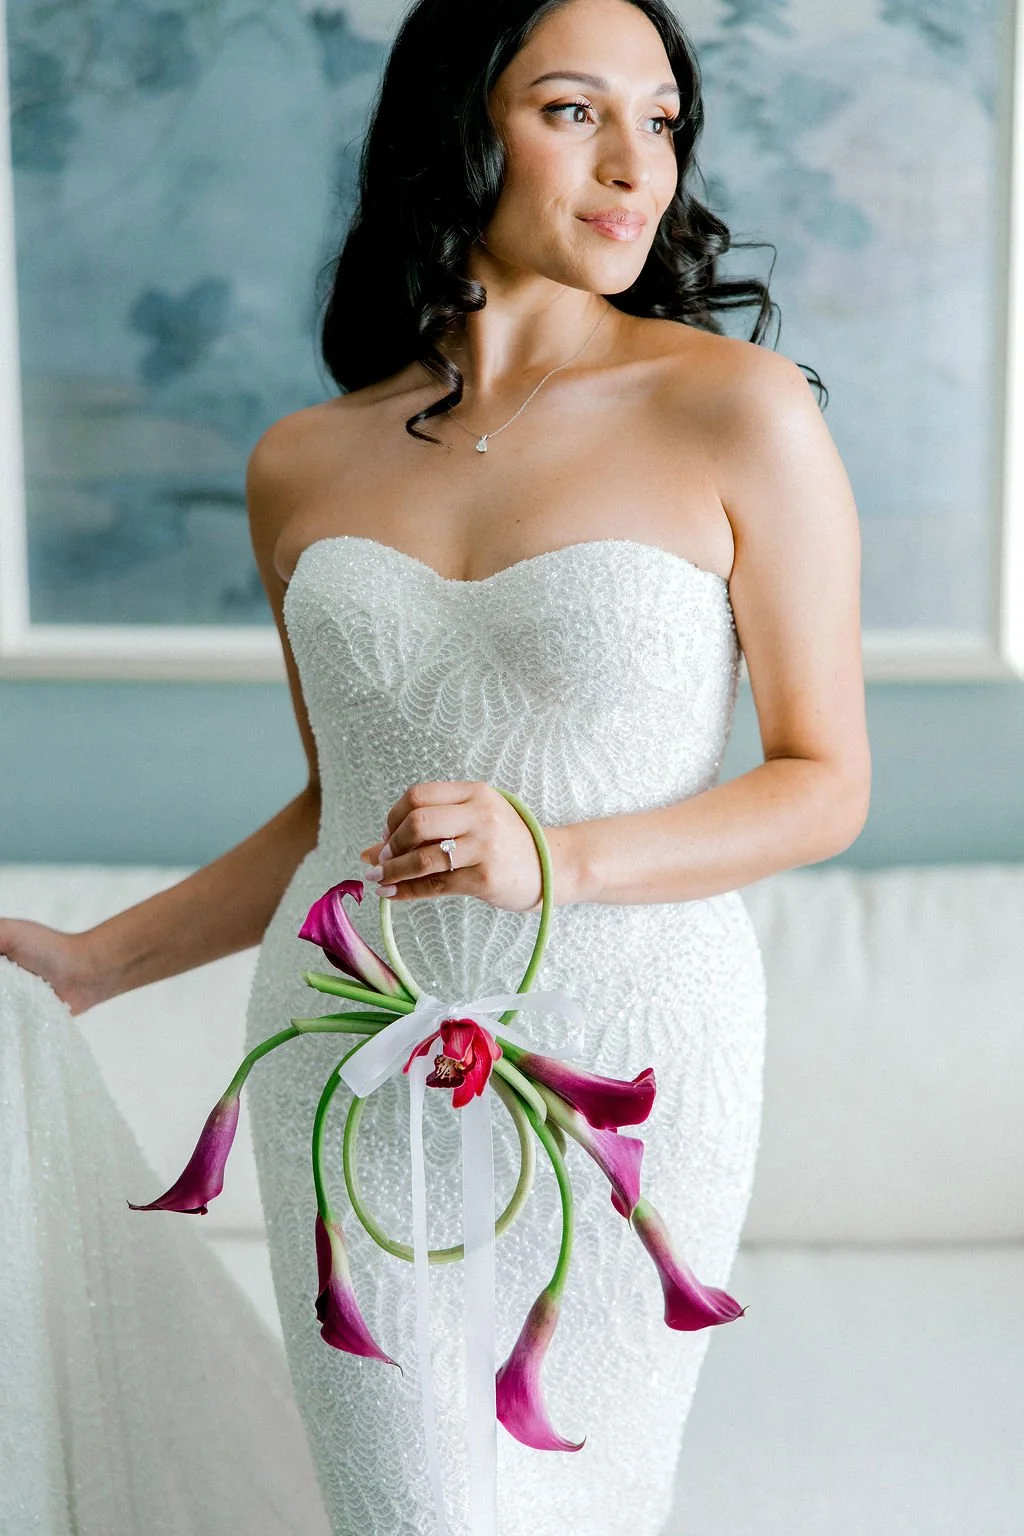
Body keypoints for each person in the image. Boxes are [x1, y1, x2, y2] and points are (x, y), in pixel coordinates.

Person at [0, 0, 871, 1531]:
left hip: (636, 1053)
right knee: (403, 1514)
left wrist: (561, 856)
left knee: (575, 1508)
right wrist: (90, 963)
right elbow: (335, 811)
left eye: (661, 120)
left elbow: (824, 778)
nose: (635, 168)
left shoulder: (736, 411)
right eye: (574, 111)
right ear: (457, 126)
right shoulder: (303, 459)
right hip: (343, 1041)